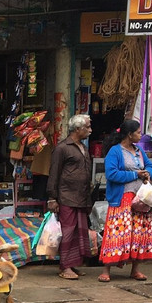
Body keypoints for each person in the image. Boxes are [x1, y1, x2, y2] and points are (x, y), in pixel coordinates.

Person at [99, 119, 152, 282]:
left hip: (140, 199)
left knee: (138, 234)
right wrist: (135, 175)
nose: (140, 135)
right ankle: (106, 270)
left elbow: (150, 166)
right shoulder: (115, 152)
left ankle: (135, 269)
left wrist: (147, 173)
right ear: (129, 135)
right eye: (138, 132)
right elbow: (111, 174)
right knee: (116, 233)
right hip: (121, 200)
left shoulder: (139, 151)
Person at [46, 114, 94, 280]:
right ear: (78, 129)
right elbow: (54, 173)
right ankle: (65, 267)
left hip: (81, 197)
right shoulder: (62, 148)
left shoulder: (82, 147)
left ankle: (72, 265)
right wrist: (52, 198)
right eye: (87, 127)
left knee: (77, 233)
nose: (90, 130)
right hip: (67, 196)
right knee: (67, 232)